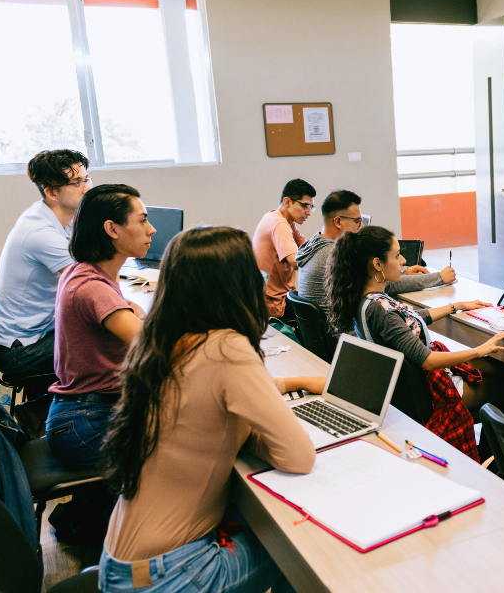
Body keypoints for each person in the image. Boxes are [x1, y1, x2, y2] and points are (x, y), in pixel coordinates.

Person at [100, 226, 318, 593]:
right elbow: (298, 457)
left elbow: (206, 400)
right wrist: (254, 436)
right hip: (171, 575)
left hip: (122, 567)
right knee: (301, 542)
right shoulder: (227, 348)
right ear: (239, 285)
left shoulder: (160, 339)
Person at [325, 226, 504, 461]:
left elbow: (410, 320)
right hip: (431, 394)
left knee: (499, 369)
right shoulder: (381, 310)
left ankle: (491, 458)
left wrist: (456, 306)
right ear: (377, 264)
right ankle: (488, 459)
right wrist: (478, 349)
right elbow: (429, 361)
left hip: (410, 391)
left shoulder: (367, 301)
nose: (403, 260)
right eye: (396, 255)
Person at [47, 184, 153, 470]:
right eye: (143, 220)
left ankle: (86, 511)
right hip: (86, 424)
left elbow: (131, 312)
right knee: (196, 441)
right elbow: (155, 347)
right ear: (112, 229)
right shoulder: (94, 288)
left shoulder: (83, 271)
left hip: (79, 414)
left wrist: (135, 312)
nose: (152, 230)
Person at [0, 149, 91, 398]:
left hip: (40, 331)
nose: (86, 188)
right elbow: (89, 284)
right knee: (113, 346)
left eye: (86, 179)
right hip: (23, 352)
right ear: (51, 192)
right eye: (76, 182)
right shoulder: (41, 233)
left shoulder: (56, 217)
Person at [295, 189, 455, 311]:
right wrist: (438, 278)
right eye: (357, 221)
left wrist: (404, 270)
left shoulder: (313, 245)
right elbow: (383, 282)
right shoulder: (334, 255)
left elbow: (373, 274)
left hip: (329, 339)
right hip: (347, 337)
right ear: (338, 222)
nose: (361, 226)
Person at [253, 178, 315, 319]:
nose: (309, 212)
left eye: (311, 207)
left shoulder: (282, 219)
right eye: (305, 205)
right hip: (274, 305)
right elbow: (296, 261)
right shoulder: (279, 224)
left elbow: (306, 247)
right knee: (323, 312)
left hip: (273, 298)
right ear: (287, 202)